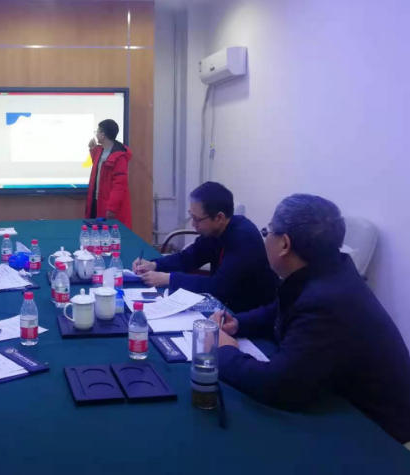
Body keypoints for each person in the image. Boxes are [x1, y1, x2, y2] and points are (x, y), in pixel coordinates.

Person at [213, 194, 410, 445]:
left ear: (284, 244)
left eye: (268, 231)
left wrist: (225, 351)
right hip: (337, 398)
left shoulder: (326, 301)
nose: (266, 238)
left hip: (379, 433)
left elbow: (278, 387)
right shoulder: (329, 269)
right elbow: (279, 309)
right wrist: (239, 323)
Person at [133, 182, 279, 312]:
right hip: (225, 305)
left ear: (219, 218)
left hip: (248, 313)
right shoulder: (215, 231)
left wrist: (169, 279)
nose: (193, 224)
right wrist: (155, 265)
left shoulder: (244, 238)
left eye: (197, 219)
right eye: (192, 217)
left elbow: (218, 286)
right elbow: (188, 258)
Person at [85, 119, 133, 228]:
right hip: (97, 201)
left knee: (109, 233)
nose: (96, 134)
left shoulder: (119, 156)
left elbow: (119, 185)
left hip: (108, 206)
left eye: (97, 132)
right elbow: (99, 169)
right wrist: (93, 149)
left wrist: (111, 208)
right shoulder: (100, 150)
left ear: (103, 135)